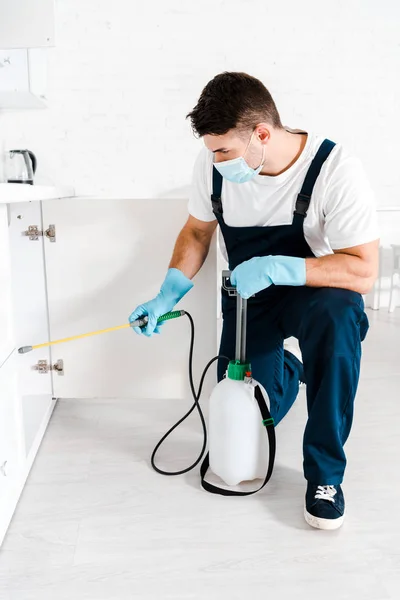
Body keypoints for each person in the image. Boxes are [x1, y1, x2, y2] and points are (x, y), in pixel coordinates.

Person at [129, 72, 379, 530]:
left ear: (261, 134)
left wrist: (278, 267)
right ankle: (289, 369)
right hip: (248, 300)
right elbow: (197, 232)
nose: (216, 160)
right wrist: (168, 290)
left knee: (339, 322)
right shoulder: (212, 166)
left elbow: (363, 269)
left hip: (315, 293)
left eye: (224, 150)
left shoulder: (335, 169)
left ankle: (325, 476)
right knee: (246, 410)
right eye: (211, 150)